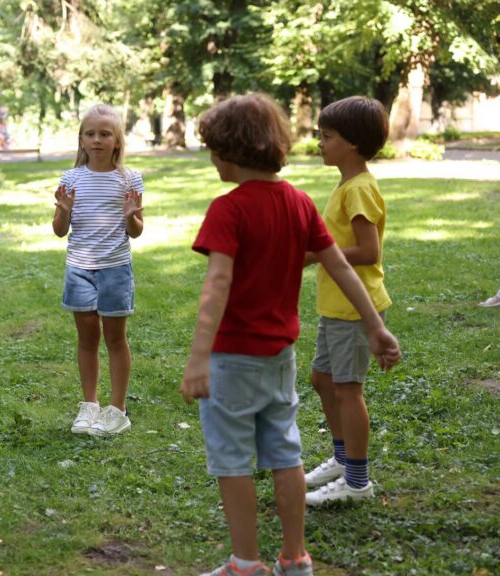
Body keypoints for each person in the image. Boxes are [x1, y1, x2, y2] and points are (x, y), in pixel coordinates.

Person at [179, 93, 401, 576]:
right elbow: (342, 267)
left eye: (214, 150)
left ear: (231, 152)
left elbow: (217, 284)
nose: (213, 159)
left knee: (233, 461)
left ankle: (246, 563)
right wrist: (376, 325)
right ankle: (295, 558)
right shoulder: (299, 202)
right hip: (281, 358)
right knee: (284, 453)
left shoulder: (228, 209)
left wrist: (198, 357)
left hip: (231, 359)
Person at [303, 96, 393, 507]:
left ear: (352, 143)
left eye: (327, 137)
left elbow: (368, 251)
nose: (320, 143)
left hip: (356, 308)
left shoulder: (359, 190)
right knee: (323, 380)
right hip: (336, 304)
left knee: (347, 389)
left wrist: (318, 253)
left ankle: (357, 480)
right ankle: (342, 460)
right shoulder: (347, 184)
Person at [53, 103, 144, 437]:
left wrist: (131, 214)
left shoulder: (129, 179)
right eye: (90, 134)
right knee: (86, 340)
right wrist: (63, 210)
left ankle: (118, 410)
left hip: (115, 270)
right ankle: (90, 406)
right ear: (81, 140)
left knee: (115, 339)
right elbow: (60, 230)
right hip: (79, 270)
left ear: (117, 140)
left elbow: (136, 231)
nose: (97, 140)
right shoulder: (71, 179)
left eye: (105, 134)